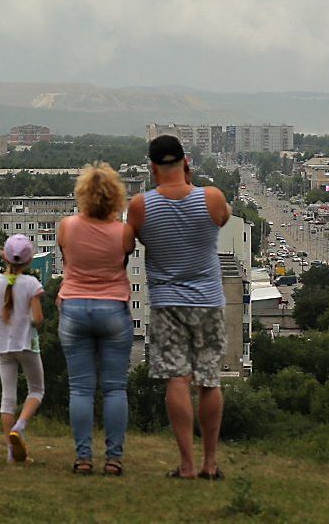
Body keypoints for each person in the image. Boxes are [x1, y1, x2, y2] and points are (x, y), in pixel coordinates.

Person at [127, 135, 231, 480]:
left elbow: (131, 240)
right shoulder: (211, 198)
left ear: (152, 167)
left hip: (167, 303)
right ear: (186, 162)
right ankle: (210, 463)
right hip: (208, 301)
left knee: (177, 379)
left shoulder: (141, 205)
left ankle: (186, 465)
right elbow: (223, 218)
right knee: (209, 380)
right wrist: (189, 183)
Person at [57, 162, 136, 476]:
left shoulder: (67, 227)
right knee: (115, 389)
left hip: (74, 308)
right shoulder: (123, 232)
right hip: (113, 309)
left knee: (81, 389)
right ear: (116, 197)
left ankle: (83, 457)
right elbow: (123, 259)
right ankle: (114, 459)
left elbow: (66, 259)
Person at [0, 233, 45, 463]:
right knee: (36, 390)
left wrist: (1, 319)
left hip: (1, 346)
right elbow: (38, 318)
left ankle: (11, 453)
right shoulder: (31, 284)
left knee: (7, 399)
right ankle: (20, 426)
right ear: (28, 261)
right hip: (26, 344)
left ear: (4, 257)